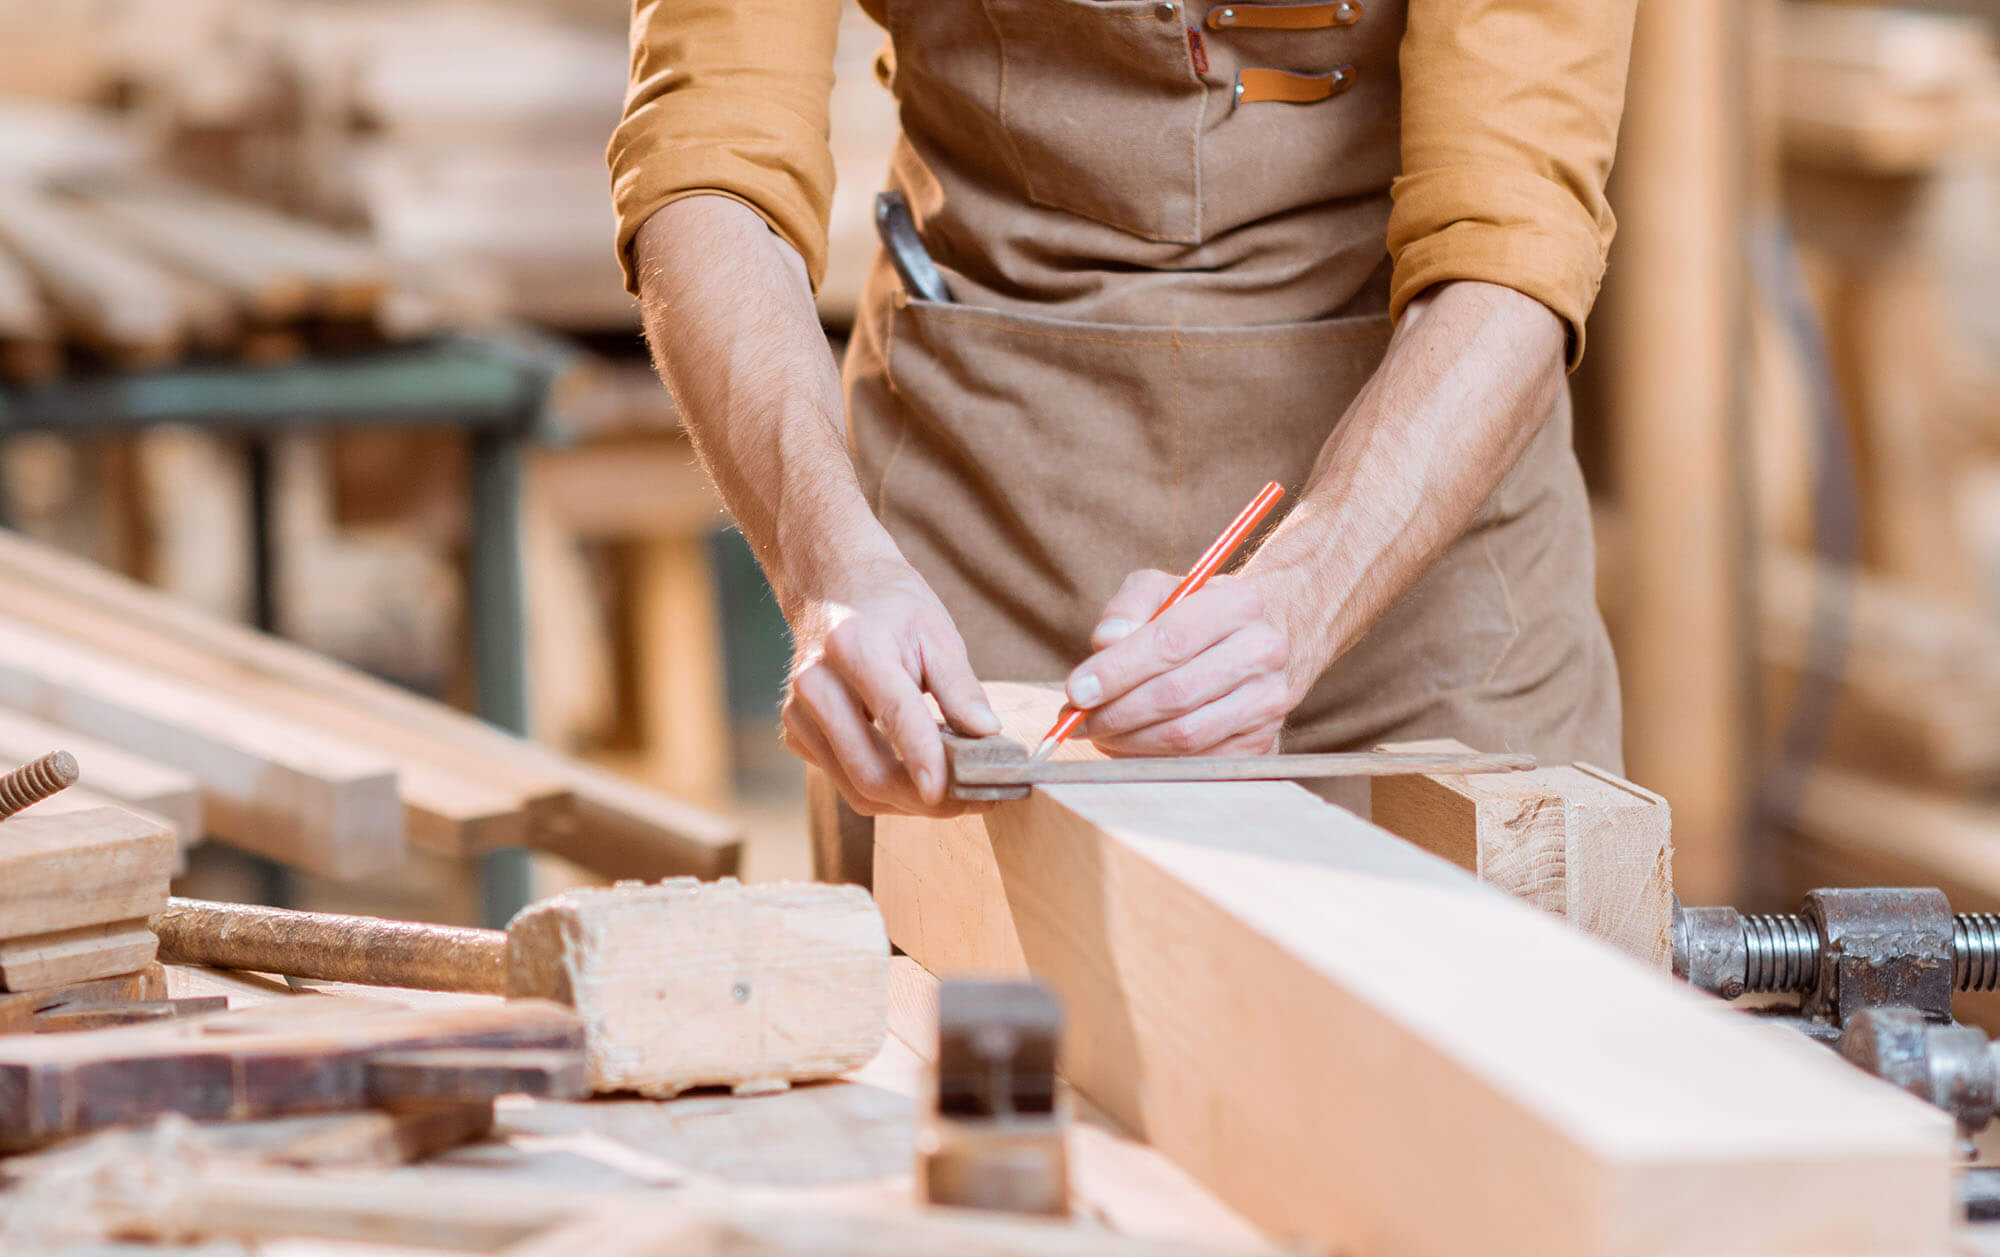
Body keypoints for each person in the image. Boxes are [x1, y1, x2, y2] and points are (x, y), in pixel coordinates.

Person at [610, 0, 1635, 882]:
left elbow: (1510, 232)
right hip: (974, 536)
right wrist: (829, 566)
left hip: (1420, 544)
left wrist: (1311, 592)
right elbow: (710, 155)